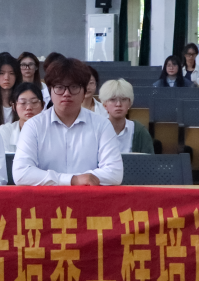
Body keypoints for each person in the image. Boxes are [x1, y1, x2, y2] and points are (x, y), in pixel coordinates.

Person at [13, 58, 123, 186]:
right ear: (50, 92)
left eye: (74, 87)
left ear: (84, 93)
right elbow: (21, 173)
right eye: (59, 87)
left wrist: (75, 179)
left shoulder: (102, 125)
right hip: (46, 198)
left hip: (88, 197)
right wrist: (73, 180)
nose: (66, 93)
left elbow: (115, 173)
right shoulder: (33, 126)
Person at [100, 79, 155, 154]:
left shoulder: (139, 131)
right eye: (113, 100)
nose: (118, 104)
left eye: (123, 99)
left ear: (129, 103)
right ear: (104, 105)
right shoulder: (97, 130)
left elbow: (149, 160)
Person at [0, 82, 44, 153]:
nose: (28, 107)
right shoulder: (5, 132)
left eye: (34, 102)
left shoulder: (51, 132)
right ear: (14, 106)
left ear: (43, 105)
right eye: (23, 103)